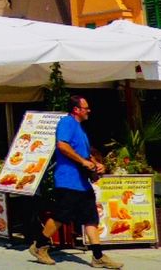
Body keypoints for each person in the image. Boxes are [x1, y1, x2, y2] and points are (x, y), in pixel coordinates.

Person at [28, 96, 123, 269]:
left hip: (82, 182)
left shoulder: (80, 129)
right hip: (68, 179)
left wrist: (96, 164)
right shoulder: (66, 123)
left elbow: (86, 154)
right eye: (86, 107)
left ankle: (98, 256)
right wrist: (82, 161)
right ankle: (39, 246)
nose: (89, 110)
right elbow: (62, 146)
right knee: (61, 215)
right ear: (76, 109)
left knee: (91, 218)